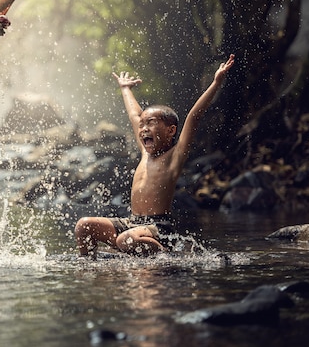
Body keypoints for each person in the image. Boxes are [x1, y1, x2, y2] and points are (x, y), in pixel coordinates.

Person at [74, 54, 235, 258]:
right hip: (132, 223)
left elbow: (194, 116)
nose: (143, 129)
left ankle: (167, 257)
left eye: (151, 123)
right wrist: (125, 89)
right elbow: (135, 115)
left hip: (158, 227)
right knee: (84, 226)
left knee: (125, 239)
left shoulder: (174, 156)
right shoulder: (145, 153)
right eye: (142, 126)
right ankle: (90, 267)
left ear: (170, 131)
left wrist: (215, 83)